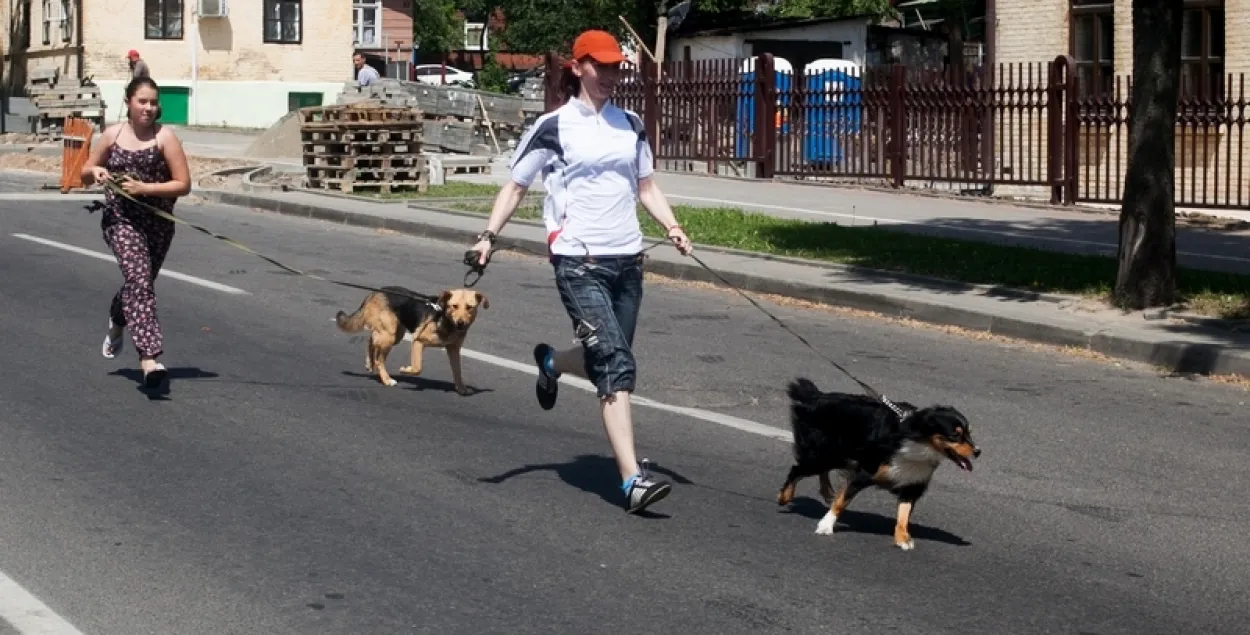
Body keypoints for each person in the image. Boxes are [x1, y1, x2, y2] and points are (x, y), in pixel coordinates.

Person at [469, 29, 694, 514]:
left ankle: (551, 363)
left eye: (617, 67)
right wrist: (488, 237)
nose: (612, 75)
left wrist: (672, 226)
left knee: (603, 359)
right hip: (578, 260)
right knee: (614, 363)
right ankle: (632, 481)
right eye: (603, 66)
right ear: (579, 67)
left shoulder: (630, 123)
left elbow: (646, 186)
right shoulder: (553, 126)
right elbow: (515, 187)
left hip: (628, 259)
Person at [81, 76, 191, 389]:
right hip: (121, 221)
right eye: (142, 101)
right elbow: (84, 173)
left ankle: (118, 320)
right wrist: (96, 171)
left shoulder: (165, 138)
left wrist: (146, 188)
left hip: (157, 223)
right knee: (140, 282)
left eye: (153, 102)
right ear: (129, 101)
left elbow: (183, 184)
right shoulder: (112, 135)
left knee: (138, 284)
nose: (148, 107)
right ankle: (149, 359)